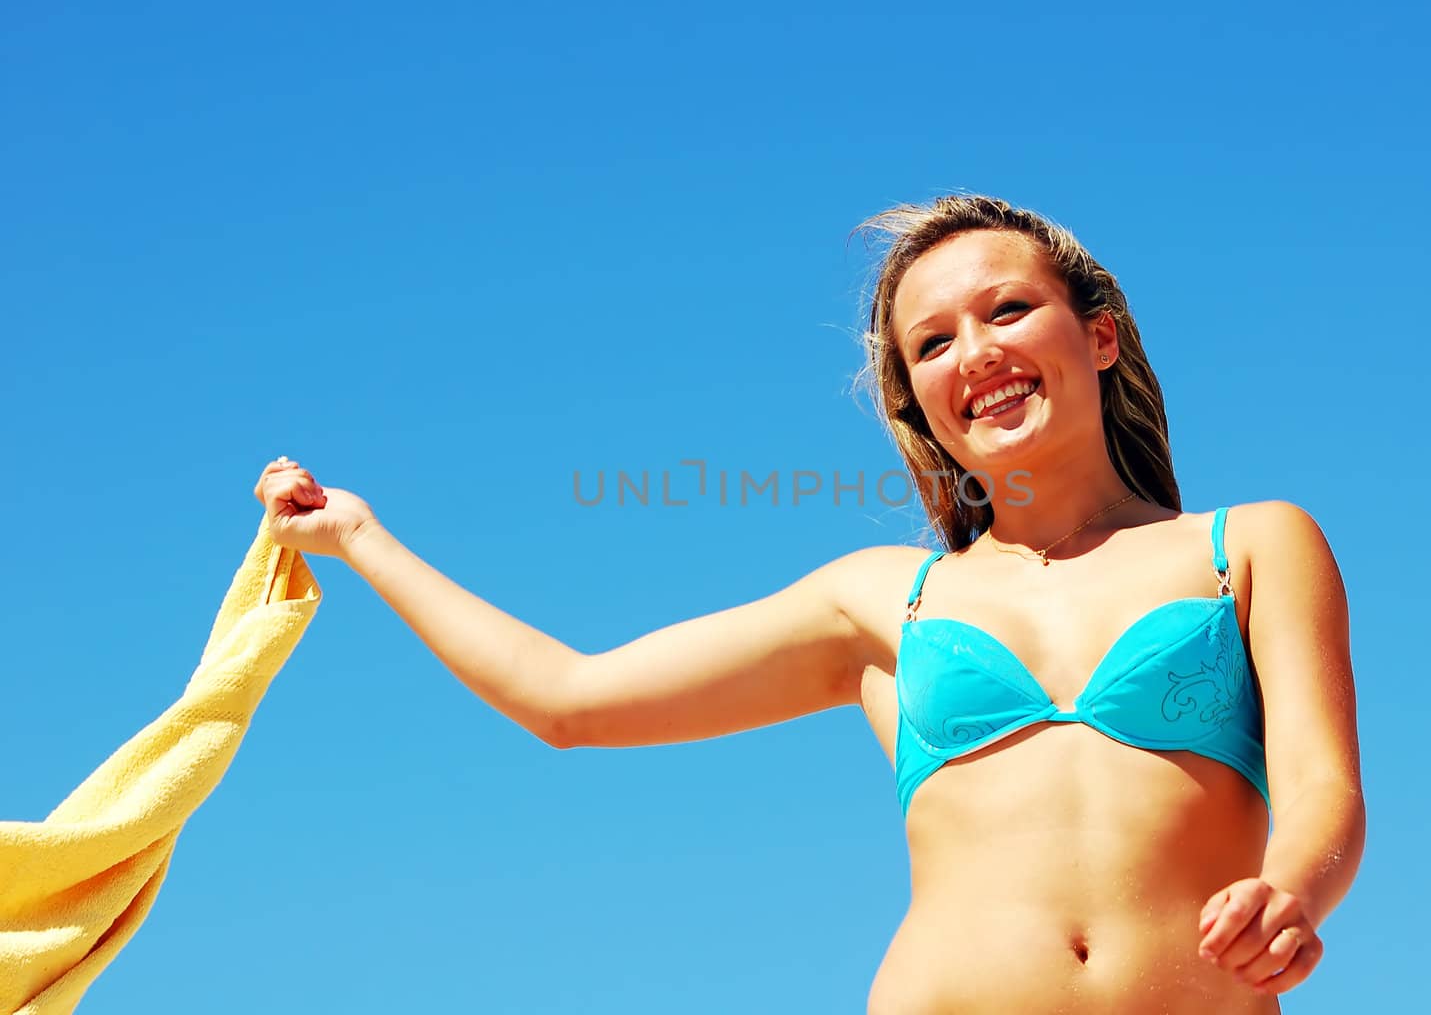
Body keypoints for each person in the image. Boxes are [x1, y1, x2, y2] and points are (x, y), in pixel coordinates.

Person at [255, 195, 1364, 1014]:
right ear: (918, 404)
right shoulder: (882, 599)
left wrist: (1290, 894)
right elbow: (571, 697)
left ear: (1098, 334)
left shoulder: (1249, 546)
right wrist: (358, 536)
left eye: (1008, 310)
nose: (975, 353)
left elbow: (1322, 788)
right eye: (932, 343)